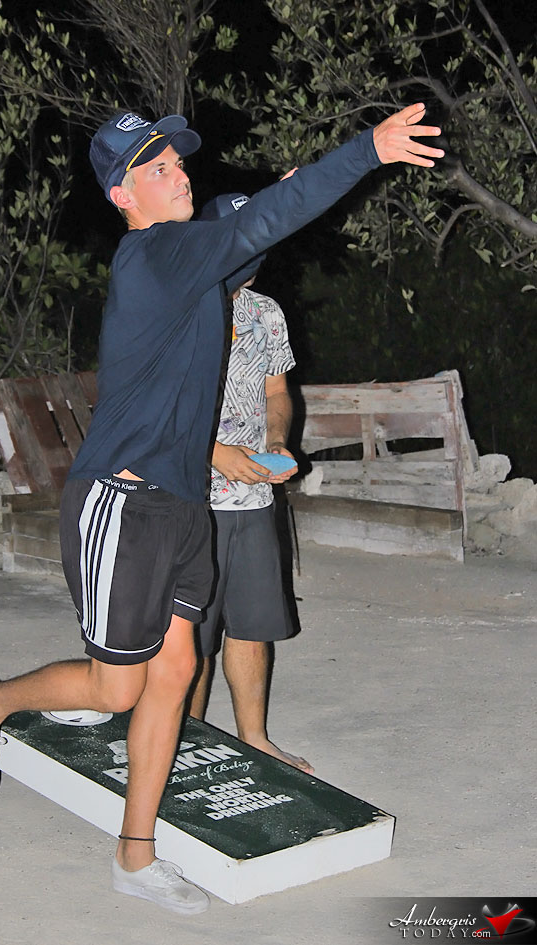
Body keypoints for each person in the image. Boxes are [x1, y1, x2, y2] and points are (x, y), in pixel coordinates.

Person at [0, 104, 444, 915]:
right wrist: (368, 150)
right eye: (156, 167)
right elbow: (260, 222)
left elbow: (255, 229)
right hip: (122, 501)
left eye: (179, 161)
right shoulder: (153, 257)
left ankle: (134, 855)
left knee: (175, 673)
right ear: (122, 194)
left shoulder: (200, 278)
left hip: (184, 509)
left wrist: (276, 201)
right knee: (119, 690)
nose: (178, 170)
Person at [188, 192, 311, 772]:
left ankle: (253, 736)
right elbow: (149, 409)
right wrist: (215, 453)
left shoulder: (267, 313)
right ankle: (182, 742)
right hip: (189, 498)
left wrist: (278, 441)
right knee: (191, 632)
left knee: (250, 622)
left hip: (254, 495)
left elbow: (277, 393)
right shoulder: (178, 309)